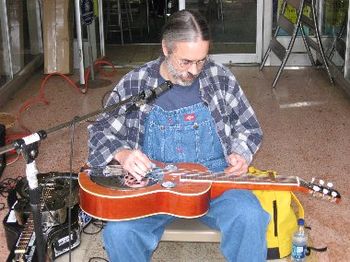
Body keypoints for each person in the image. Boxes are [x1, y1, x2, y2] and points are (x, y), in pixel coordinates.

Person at [87, 10, 269, 262]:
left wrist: (240, 152)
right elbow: (99, 132)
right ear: (166, 48)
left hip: (214, 182)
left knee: (251, 216)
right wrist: (123, 153)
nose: (194, 71)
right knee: (119, 233)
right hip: (153, 187)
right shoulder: (136, 83)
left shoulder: (220, 78)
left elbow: (249, 128)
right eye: (185, 62)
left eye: (201, 61)